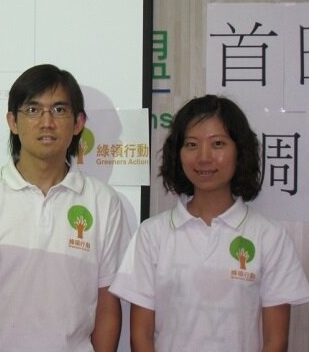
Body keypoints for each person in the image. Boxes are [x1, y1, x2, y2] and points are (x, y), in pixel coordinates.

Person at [0, 64, 128, 352]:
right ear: (13, 122)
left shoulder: (104, 203)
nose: (46, 122)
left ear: (78, 123)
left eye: (59, 110)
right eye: (32, 110)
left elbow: (107, 307)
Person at [109, 94, 309, 352]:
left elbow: (275, 341)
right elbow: (141, 336)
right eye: (191, 144)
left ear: (240, 151)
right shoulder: (152, 234)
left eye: (218, 144)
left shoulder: (269, 236)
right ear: (178, 153)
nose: (203, 157)